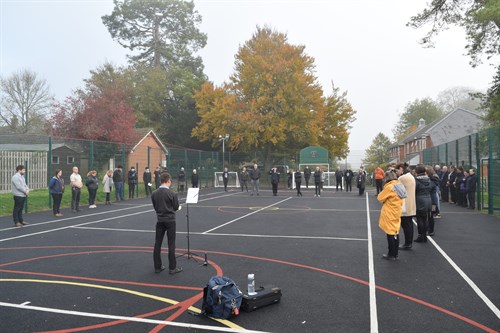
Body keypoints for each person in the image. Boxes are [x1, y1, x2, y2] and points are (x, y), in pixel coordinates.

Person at [151, 172, 183, 275]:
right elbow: (176, 207)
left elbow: (155, 207)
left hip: (160, 220)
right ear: (168, 180)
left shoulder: (154, 193)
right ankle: (172, 268)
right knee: (171, 244)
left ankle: (157, 267)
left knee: (157, 243)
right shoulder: (172, 194)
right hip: (170, 220)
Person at [377, 170, 407, 260]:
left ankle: (391, 254)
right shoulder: (399, 185)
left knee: (390, 233)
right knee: (395, 232)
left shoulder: (390, 187)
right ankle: (395, 253)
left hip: (390, 211)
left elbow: (380, 197)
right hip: (397, 211)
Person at [395, 163, 416, 250]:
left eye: (397, 171)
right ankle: (409, 242)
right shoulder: (411, 176)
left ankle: (407, 243)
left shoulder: (402, 178)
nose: (396, 173)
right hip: (411, 203)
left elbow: (395, 188)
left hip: (404, 205)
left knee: (406, 225)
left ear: (401, 169)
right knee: (409, 225)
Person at [414, 164, 432, 243]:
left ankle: (421, 235)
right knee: (425, 218)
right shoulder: (428, 179)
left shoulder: (416, 180)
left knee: (419, 219)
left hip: (420, 200)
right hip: (428, 200)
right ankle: (425, 235)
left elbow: (415, 190)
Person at [425, 166, 439, 237]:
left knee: (430, 216)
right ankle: (428, 229)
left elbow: (429, 188)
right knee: (429, 215)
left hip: (432, 201)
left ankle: (431, 230)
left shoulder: (432, 181)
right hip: (431, 200)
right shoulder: (431, 180)